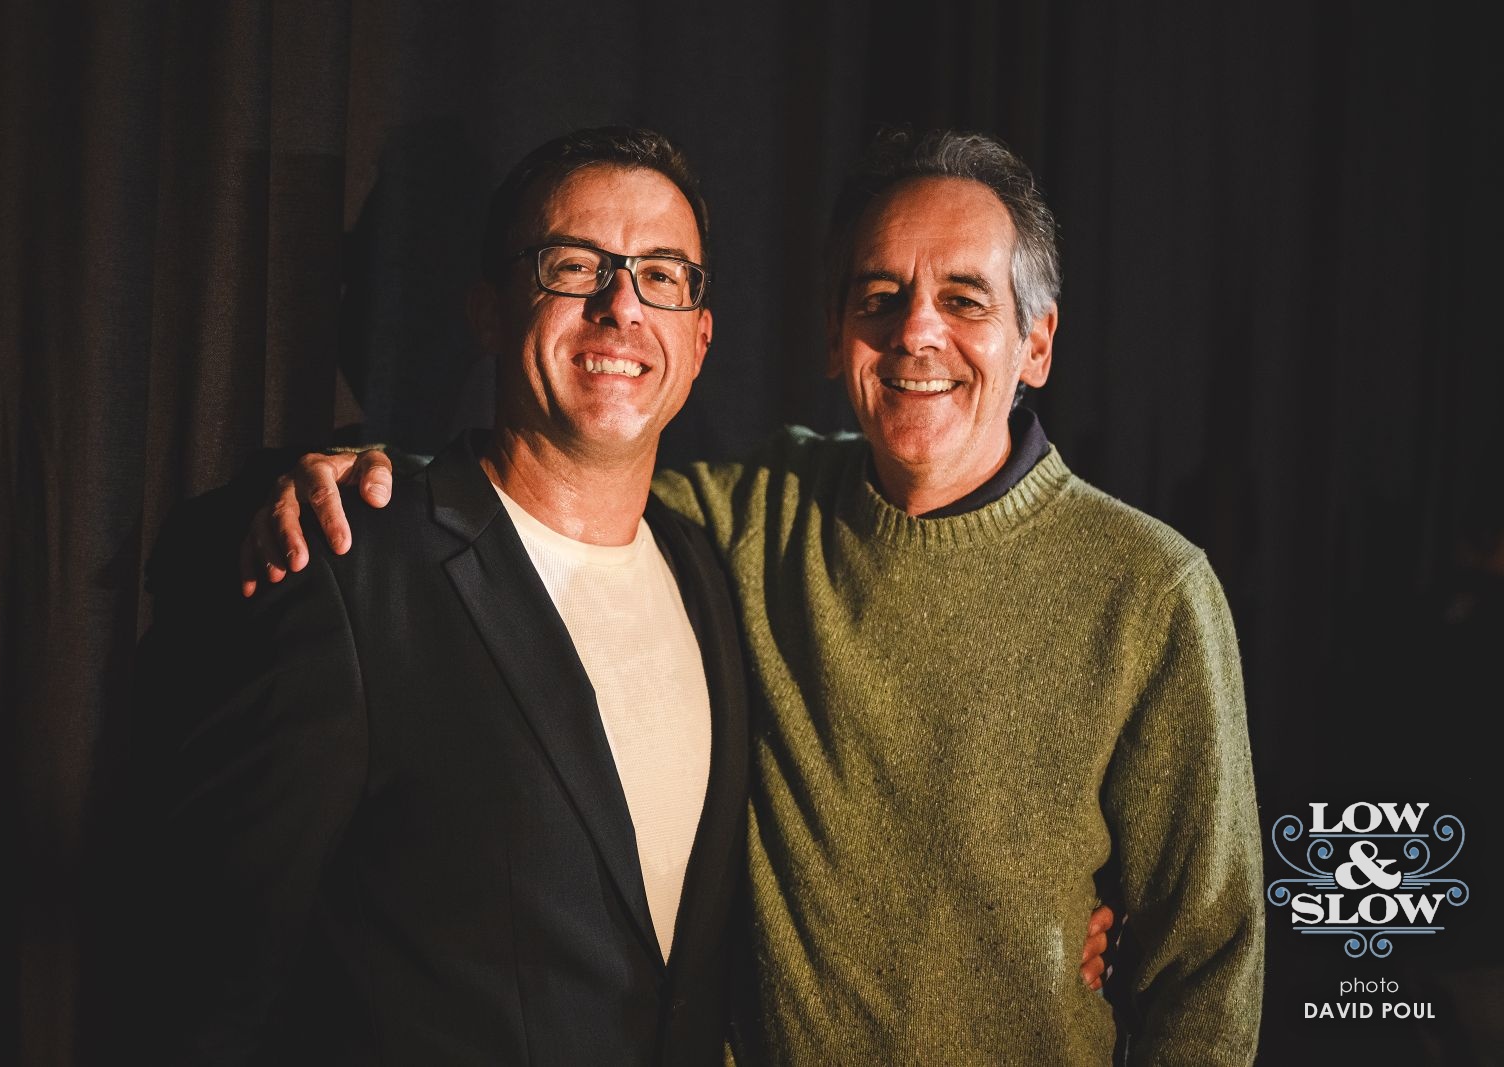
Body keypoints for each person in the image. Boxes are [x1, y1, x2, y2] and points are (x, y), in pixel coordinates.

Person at [225, 128, 1134, 1063]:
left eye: (661, 275)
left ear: (699, 343)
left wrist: (1086, 926)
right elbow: (216, 970)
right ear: (489, 311)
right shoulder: (357, 568)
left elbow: (1198, 955)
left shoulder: (718, 559)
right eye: (574, 265)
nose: (621, 305)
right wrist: (329, 481)